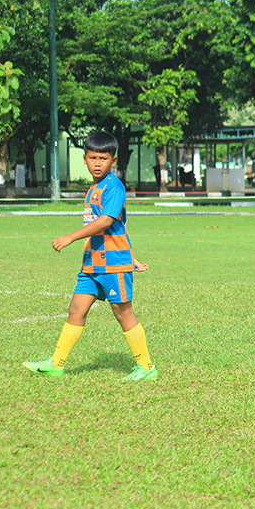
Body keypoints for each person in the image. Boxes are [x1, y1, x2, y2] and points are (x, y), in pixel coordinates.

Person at [23, 131, 158, 381]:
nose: (98, 163)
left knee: (123, 312)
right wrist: (133, 256)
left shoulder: (114, 187)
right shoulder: (94, 188)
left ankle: (147, 368)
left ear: (113, 161)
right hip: (92, 263)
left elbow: (106, 221)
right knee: (76, 309)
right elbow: (120, 228)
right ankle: (56, 363)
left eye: (104, 158)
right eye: (93, 158)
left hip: (113, 264)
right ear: (85, 158)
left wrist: (71, 237)